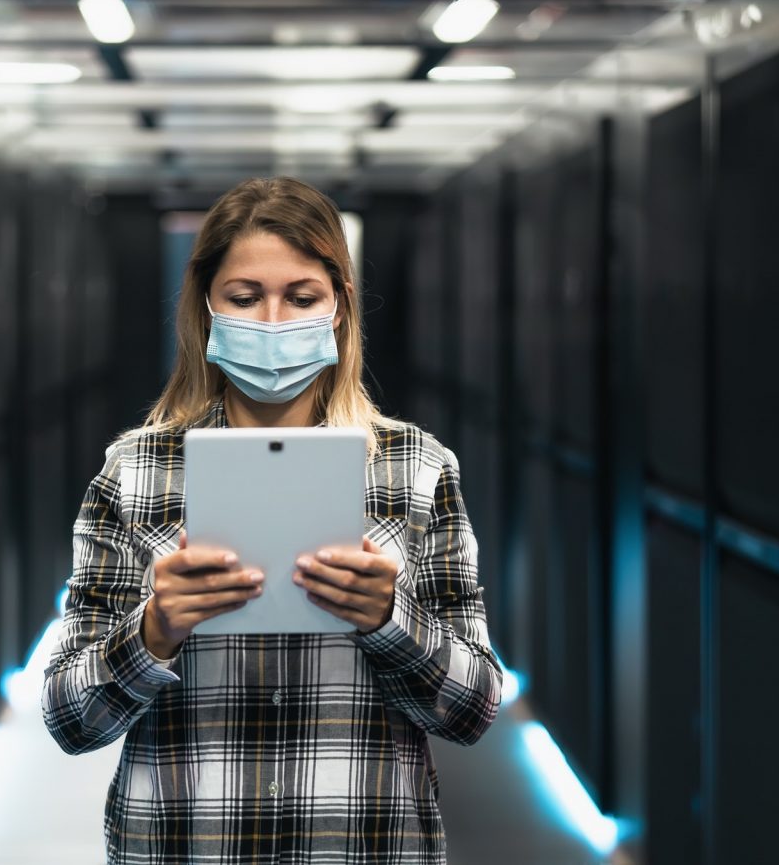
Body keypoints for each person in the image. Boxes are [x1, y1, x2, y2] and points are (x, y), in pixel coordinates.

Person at [42, 176, 502, 864]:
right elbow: (69, 718)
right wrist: (155, 629)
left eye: (302, 297)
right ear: (206, 307)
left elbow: (475, 708)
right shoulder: (133, 472)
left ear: (340, 307)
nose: (273, 321)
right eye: (245, 297)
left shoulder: (416, 468)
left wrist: (389, 620)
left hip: (361, 846)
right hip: (185, 845)